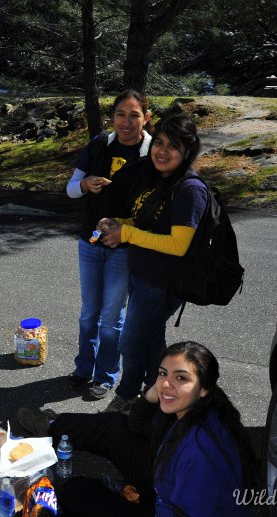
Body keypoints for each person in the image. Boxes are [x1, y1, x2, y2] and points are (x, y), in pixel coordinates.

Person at [17, 341, 256, 517]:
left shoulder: (200, 455)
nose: (167, 384)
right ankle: (51, 427)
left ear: (204, 388)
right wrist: (151, 394)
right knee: (116, 427)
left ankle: (120, 498)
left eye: (181, 378)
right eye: (163, 373)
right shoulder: (198, 407)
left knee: (72, 493)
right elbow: (135, 424)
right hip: (166, 490)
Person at [98, 113, 209, 412]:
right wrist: (119, 223)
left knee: (131, 343)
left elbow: (178, 244)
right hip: (142, 276)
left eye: (173, 146)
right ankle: (156, 397)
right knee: (150, 340)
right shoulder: (160, 179)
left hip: (162, 284)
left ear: (188, 151)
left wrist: (127, 234)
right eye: (159, 142)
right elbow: (149, 224)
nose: (162, 151)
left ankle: (127, 396)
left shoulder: (190, 189)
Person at [66, 90, 152, 400]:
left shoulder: (151, 153)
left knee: (112, 316)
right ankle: (83, 368)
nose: (126, 122)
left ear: (146, 118)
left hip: (125, 247)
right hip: (90, 241)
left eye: (134, 115)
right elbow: (71, 189)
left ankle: (105, 375)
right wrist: (85, 184)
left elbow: (155, 207)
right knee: (89, 312)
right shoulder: (100, 143)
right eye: (120, 114)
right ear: (112, 117)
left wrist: (125, 228)